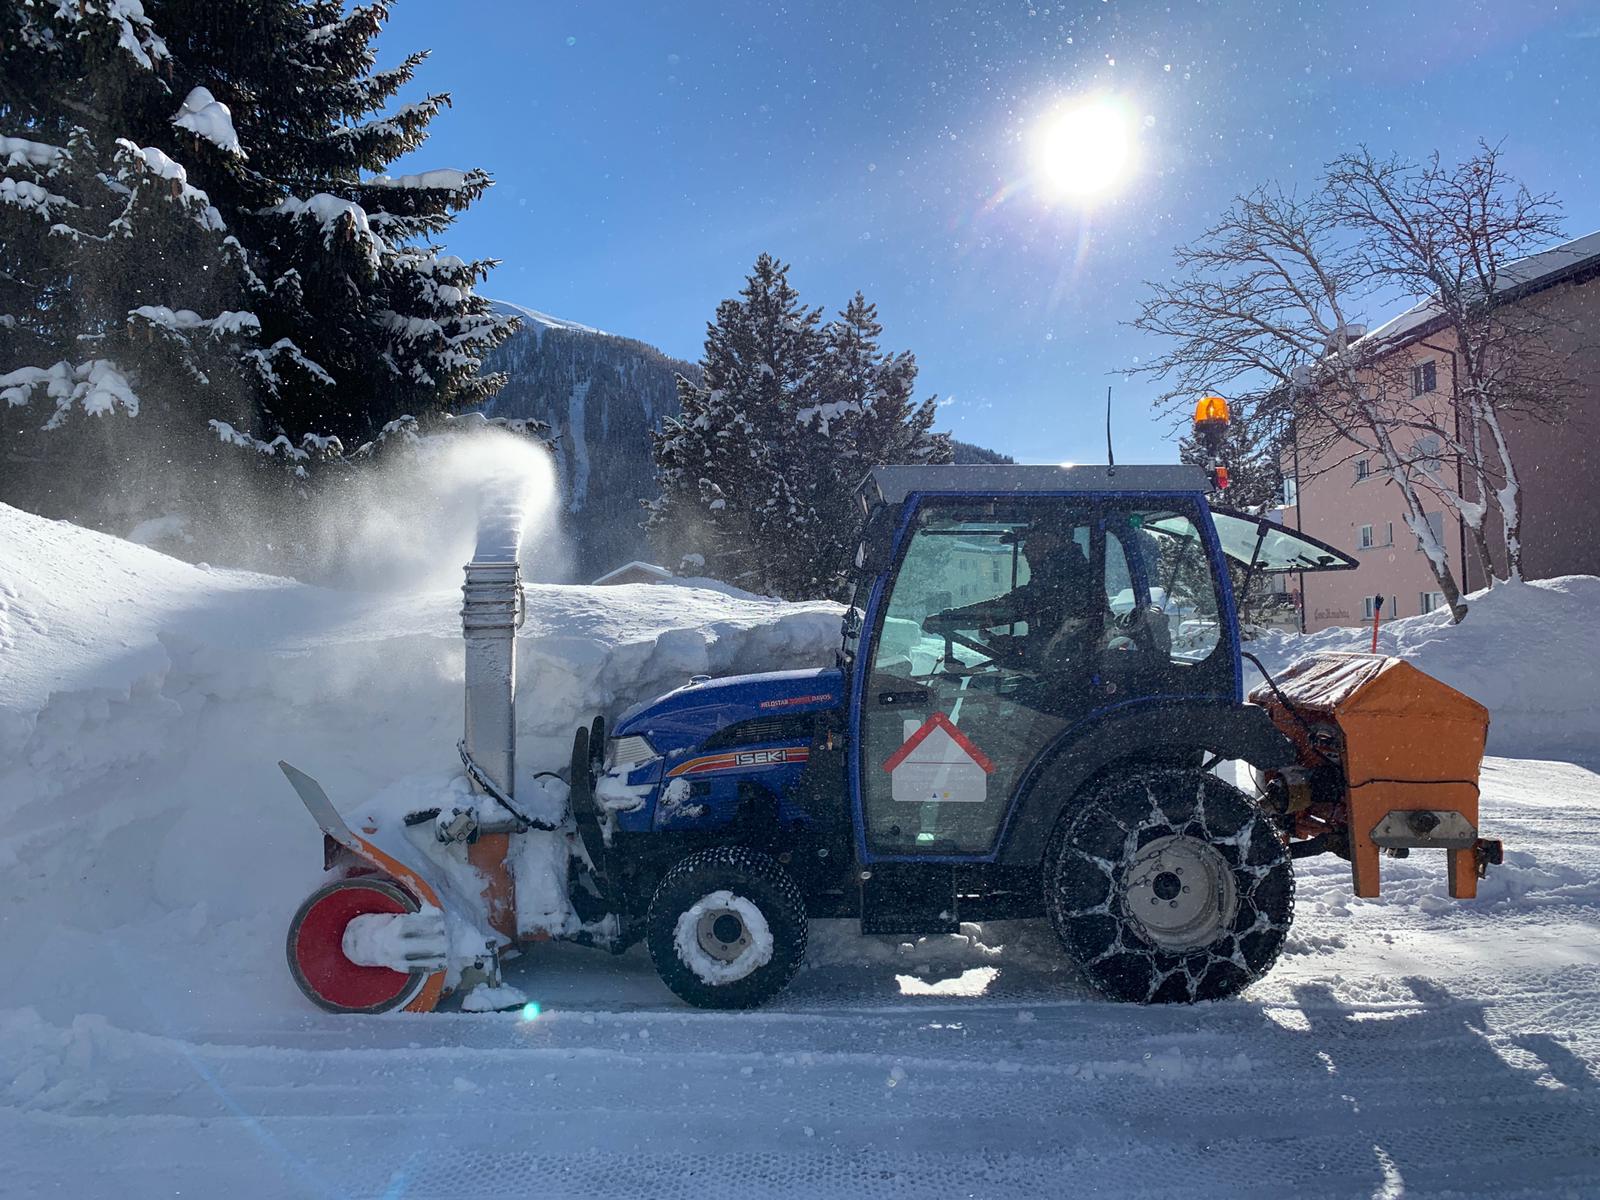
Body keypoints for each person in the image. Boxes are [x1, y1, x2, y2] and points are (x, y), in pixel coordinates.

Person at [922, 522, 1103, 671]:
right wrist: (1016, 646)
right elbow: (1054, 635)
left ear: (1050, 540)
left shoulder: (1065, 577)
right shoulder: (1065, 572)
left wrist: (948, 619)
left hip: (1066, 681)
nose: (1025, 551)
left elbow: (1010, 608)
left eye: (1030, 542)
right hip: (1062, 674)